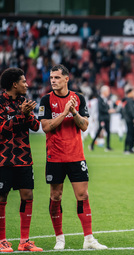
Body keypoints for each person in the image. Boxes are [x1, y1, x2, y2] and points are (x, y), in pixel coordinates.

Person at [38, 64, 107, 250]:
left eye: (57, 77)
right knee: (55, 196)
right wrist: (63, 113)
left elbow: (84, 126)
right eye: (51, 77)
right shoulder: (45, 100)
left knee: (83, 195)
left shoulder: (78, 98)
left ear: (66, 79)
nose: (53, 80)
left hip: (76, 156)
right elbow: (45, 127)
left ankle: (89, 239)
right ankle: (59, 238)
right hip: (55, 156)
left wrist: (74, 111)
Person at [0, 68, 43, 252]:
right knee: (2, 198)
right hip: (4, 159)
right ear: (14, 84)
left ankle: (24, 241)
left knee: (28, 196)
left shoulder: (23, 102)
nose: (27, 84)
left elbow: (35, 126)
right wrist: (19, 114)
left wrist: (26, 113)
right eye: (24, 82)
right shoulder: (0, 102)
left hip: (24, 158)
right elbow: (2, 129)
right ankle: (2, 240)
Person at [89, 85, 115, 151]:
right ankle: (92, 144)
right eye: (108, 91)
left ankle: (108, 146)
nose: (109, 92)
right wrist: (108, 111)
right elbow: (100, 109)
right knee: (99, 131)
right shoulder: (99, 99)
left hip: (107, 118)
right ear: (104, 91)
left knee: (108, 132)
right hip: (102, 118)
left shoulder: (106, 99)